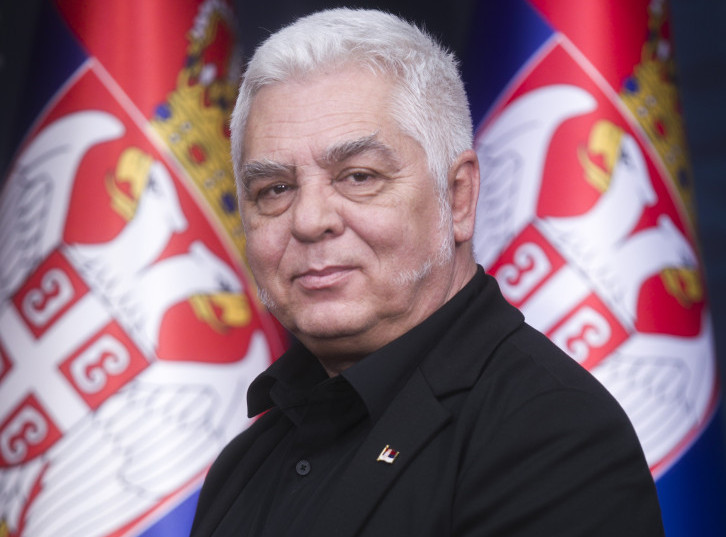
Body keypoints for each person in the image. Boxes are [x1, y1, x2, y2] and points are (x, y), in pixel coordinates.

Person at [189, 8, 665, 537]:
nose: (309, 220)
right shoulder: (243, 466)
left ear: (458, 197)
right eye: (275, 189)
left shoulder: (552, 433)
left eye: (358, 176)